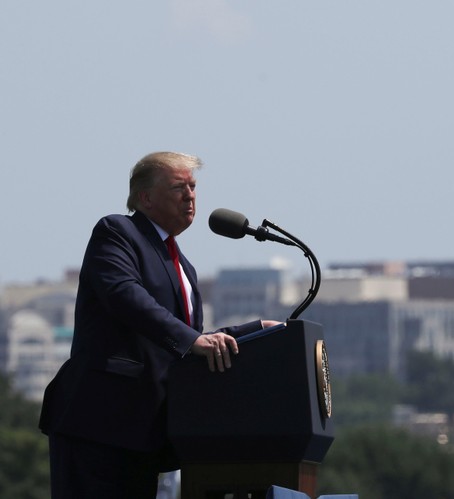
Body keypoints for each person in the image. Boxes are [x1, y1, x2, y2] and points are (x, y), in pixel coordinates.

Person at [39, 152, 279, 498]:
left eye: (193, 187)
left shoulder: (184, 266)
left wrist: (256, 331)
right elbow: (124, 295)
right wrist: (191, 341)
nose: (190, 196)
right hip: (99, 423)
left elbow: (188, 342)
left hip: (144, 435)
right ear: (145, 197)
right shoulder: (117, 232)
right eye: (178, 187)